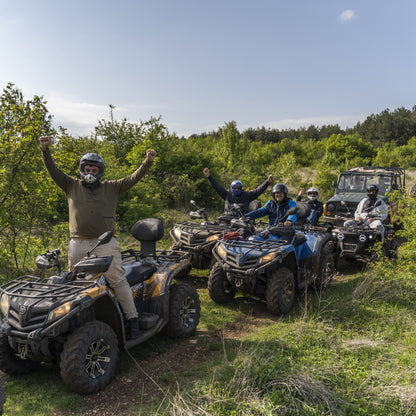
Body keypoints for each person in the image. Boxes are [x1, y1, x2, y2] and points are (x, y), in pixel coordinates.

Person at [39, 135, 157, 339]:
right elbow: (53, 170)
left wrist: (147, 162)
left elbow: (133, 178)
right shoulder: (70, 184)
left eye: (94, 170)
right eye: (87, 169)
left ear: (100, 172)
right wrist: (45, 150)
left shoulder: (112, 187)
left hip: (105, 244)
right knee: (73, 283)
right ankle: (70, 322)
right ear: (82, 170)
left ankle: (132, 319)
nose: (90, 173)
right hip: (77, 244)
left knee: (117, 280)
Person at [203, 168, 273, 215]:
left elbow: (258, 190)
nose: (237, 190)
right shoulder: (226, 195)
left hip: (241, 221)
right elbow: (217, 186)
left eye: (239, 188)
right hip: (227, 220)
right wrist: (209, 176)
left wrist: (267, 182)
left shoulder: (247, 195)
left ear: (241, 188)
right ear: (231, 188)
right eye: (235, 188)